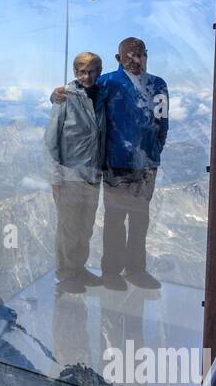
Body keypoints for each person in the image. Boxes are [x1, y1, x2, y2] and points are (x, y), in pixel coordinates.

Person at [51, 36, 167, 290]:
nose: (136, 60)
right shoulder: (108, 83)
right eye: (130, 56)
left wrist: (155, 151)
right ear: (119, 59)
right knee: (115, 221)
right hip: (115, 164)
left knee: (140, 220)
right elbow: (82, 90)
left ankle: (136, 269)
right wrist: (57, 94)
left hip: (146, 165)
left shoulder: (158, 85)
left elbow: (162, 122)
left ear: (147, 55)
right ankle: (111, 272)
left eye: (140, 54)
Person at [44, 51, 106, 292]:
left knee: (85, 226)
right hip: (69, 175)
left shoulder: (101, 95)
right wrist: (55, 175)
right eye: (81, 71)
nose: (86, 76)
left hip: (92, 174)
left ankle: (79, 268)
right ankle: (66, 274)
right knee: (68, 228)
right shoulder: (65, 98)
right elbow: (50, 140)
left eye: (91, 71)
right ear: (74, 72)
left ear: (99, 72)